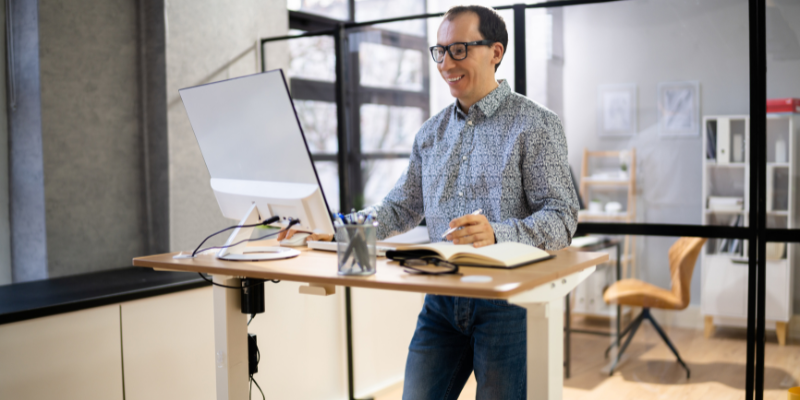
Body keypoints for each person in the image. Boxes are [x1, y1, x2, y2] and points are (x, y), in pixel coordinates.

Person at [285, 5, 578, 398]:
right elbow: (399, 208)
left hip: (507, 304)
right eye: (439, 51)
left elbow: (562, 219)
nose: (445, 63)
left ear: (495, 52)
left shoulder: (536, 124)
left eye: (459, 49)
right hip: (440, 301)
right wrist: (333, 230)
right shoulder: (429, 134)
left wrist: (498, 235)